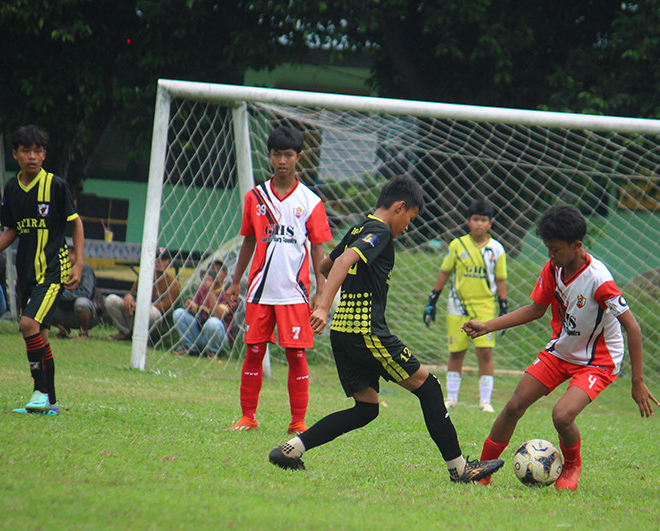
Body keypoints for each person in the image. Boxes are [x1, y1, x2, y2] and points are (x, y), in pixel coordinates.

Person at [267, 175, 504, 483]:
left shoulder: (359, 228)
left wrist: (327, 294)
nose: (407, 227)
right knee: (429, 387)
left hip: (343, 332)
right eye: (410, 219)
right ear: (400, 207)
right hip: (365, 331)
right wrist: (323, 306)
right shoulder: (379, 230)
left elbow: (326, 265)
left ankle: (290, 450)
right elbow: (343, 261)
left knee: (366, 408)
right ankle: (459, 469)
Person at [462, 205, 658, 490]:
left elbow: (633, 328)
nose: (550, 255)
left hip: (598, 361)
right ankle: (483, 469)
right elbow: (536, 309)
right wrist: (488, 326)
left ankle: (572, 465)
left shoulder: (599, 280)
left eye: (555, 249)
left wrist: (637, 381)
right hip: (562, 350)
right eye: (547, 248)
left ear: (576, 246)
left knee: (562, 415)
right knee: (515, 404)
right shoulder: (554, 268)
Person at [0, 125, 84, 415]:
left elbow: (76, 223)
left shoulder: (55, 186)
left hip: (53, 271)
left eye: (38, 151)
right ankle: (51, 404)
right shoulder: (11, 188)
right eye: (26, 151)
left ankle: (39, 393)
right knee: (39, 336)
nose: (32, 156)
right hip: (27, 273)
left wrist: (78, 262)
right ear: (15, 154)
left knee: (28, 325)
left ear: (44, 155)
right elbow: (12, 230)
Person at [224, 125, 332, 434]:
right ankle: (248, 417)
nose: (282, 161)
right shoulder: (255, 197)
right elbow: (248, 240)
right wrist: (236, 281)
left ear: (299, 156)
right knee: (254, 351)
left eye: (288, 155)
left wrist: (321, 292)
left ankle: (298, 422)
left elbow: (317, 248)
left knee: (296, 354)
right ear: (269, 156)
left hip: (295, 293)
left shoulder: (310, 201)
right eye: (276, 154)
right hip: (260, 291)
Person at [423, 199, 508, 413]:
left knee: (485, 353)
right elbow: (445, 272)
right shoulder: (457, 245)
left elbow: (500, 279)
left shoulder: (496, 249)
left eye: (484, 220)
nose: (479, 224)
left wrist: (504, 306)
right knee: (456, 353)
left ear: (490, 223)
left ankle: (485, 401)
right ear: (468, 221)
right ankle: (451, 398)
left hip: (485, 308)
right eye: (476, 219)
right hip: (457, 307)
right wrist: (432, 300)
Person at [105, 247, 181, 341]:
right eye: (156, 258)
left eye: (163, 259)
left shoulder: (174, 284)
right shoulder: (144, 276)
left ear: (169, 262)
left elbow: (164, 307)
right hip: (134, 314)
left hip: (153, 321)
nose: (159, 261)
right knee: (111, 300)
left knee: (153, 313)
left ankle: (149, 339)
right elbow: (132, 293)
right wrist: (128, 298)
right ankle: (125, 332)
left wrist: (140, 306)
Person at [172, 259, 234, 359]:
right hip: (201, 334)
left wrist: (210, 291)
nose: (215, 272)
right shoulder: (202, 288)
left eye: (219, 269)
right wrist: (191, 307)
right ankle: (190, 348)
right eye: (212, 269)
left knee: (212, 323)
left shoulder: (228, 292)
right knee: (178, 313)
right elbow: (196, 313)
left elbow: (218, 316)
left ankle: (213, 352)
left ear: (226, 274)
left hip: (219, 338)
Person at [53, 249, 99, 339]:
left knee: (81, 303)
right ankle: (62, 329)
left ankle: (84, 332)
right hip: (63, 311)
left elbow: (86, 293)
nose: (69, 256)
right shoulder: (57, 268)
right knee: (42, 300)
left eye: (72, 253)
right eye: (66, 253)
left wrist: (61, 294)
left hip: (86, 313)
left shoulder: (85, 268)